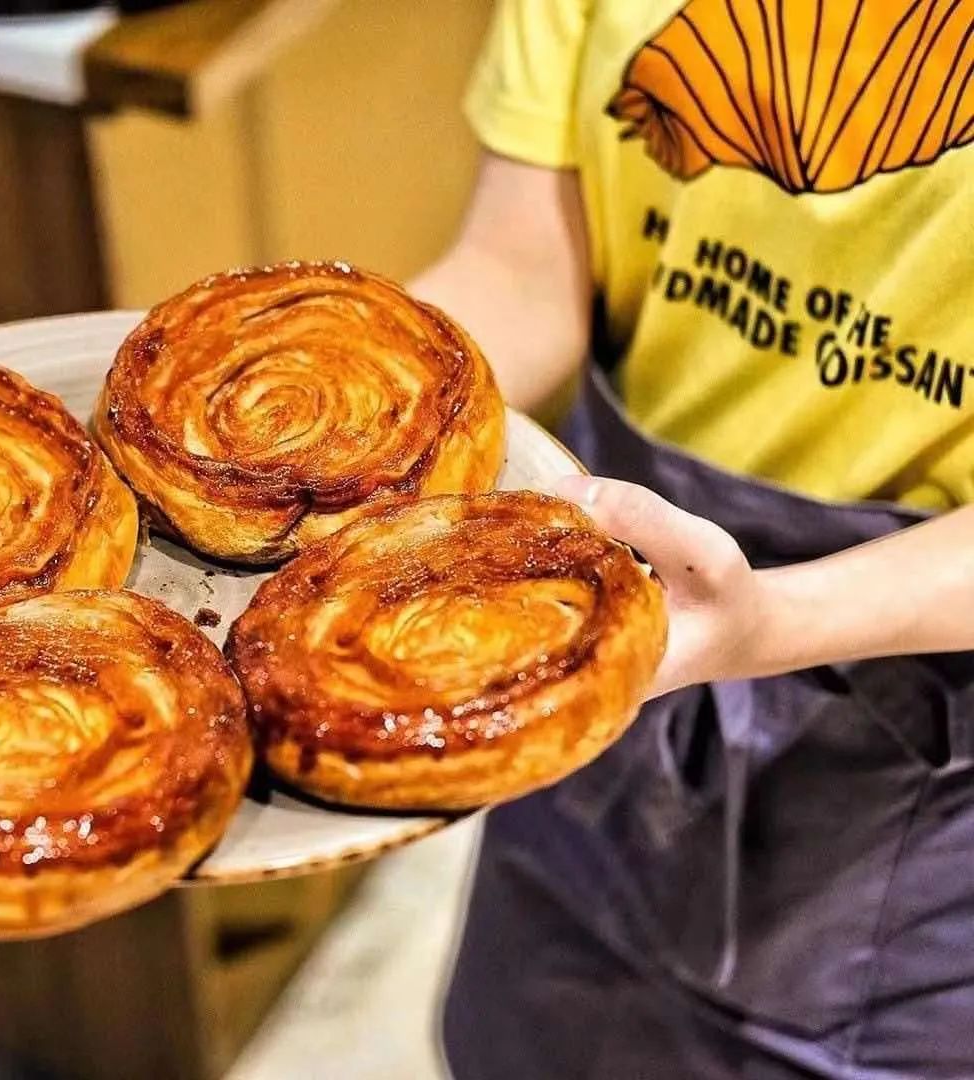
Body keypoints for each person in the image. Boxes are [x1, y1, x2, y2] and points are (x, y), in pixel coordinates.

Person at [407, 2, 974, 1077]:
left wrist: (774, 620)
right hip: (595, 654)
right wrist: (346, 399)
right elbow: (523, 273)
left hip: (911, 781)